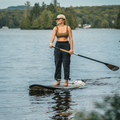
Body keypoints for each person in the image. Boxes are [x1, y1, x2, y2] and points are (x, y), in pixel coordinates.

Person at [49, 14, 73, 86]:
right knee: (57, 63)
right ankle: (58, 80)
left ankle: (66, 81)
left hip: (66, 45)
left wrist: (71, 49)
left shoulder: (68, 28)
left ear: (63, 20)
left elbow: (71, 39)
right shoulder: (55, 28)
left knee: (66, 63)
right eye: (57, 19)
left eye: (59, 19)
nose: (57, 20)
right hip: (58, 46)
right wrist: (51, 43)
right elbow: (53, 36)